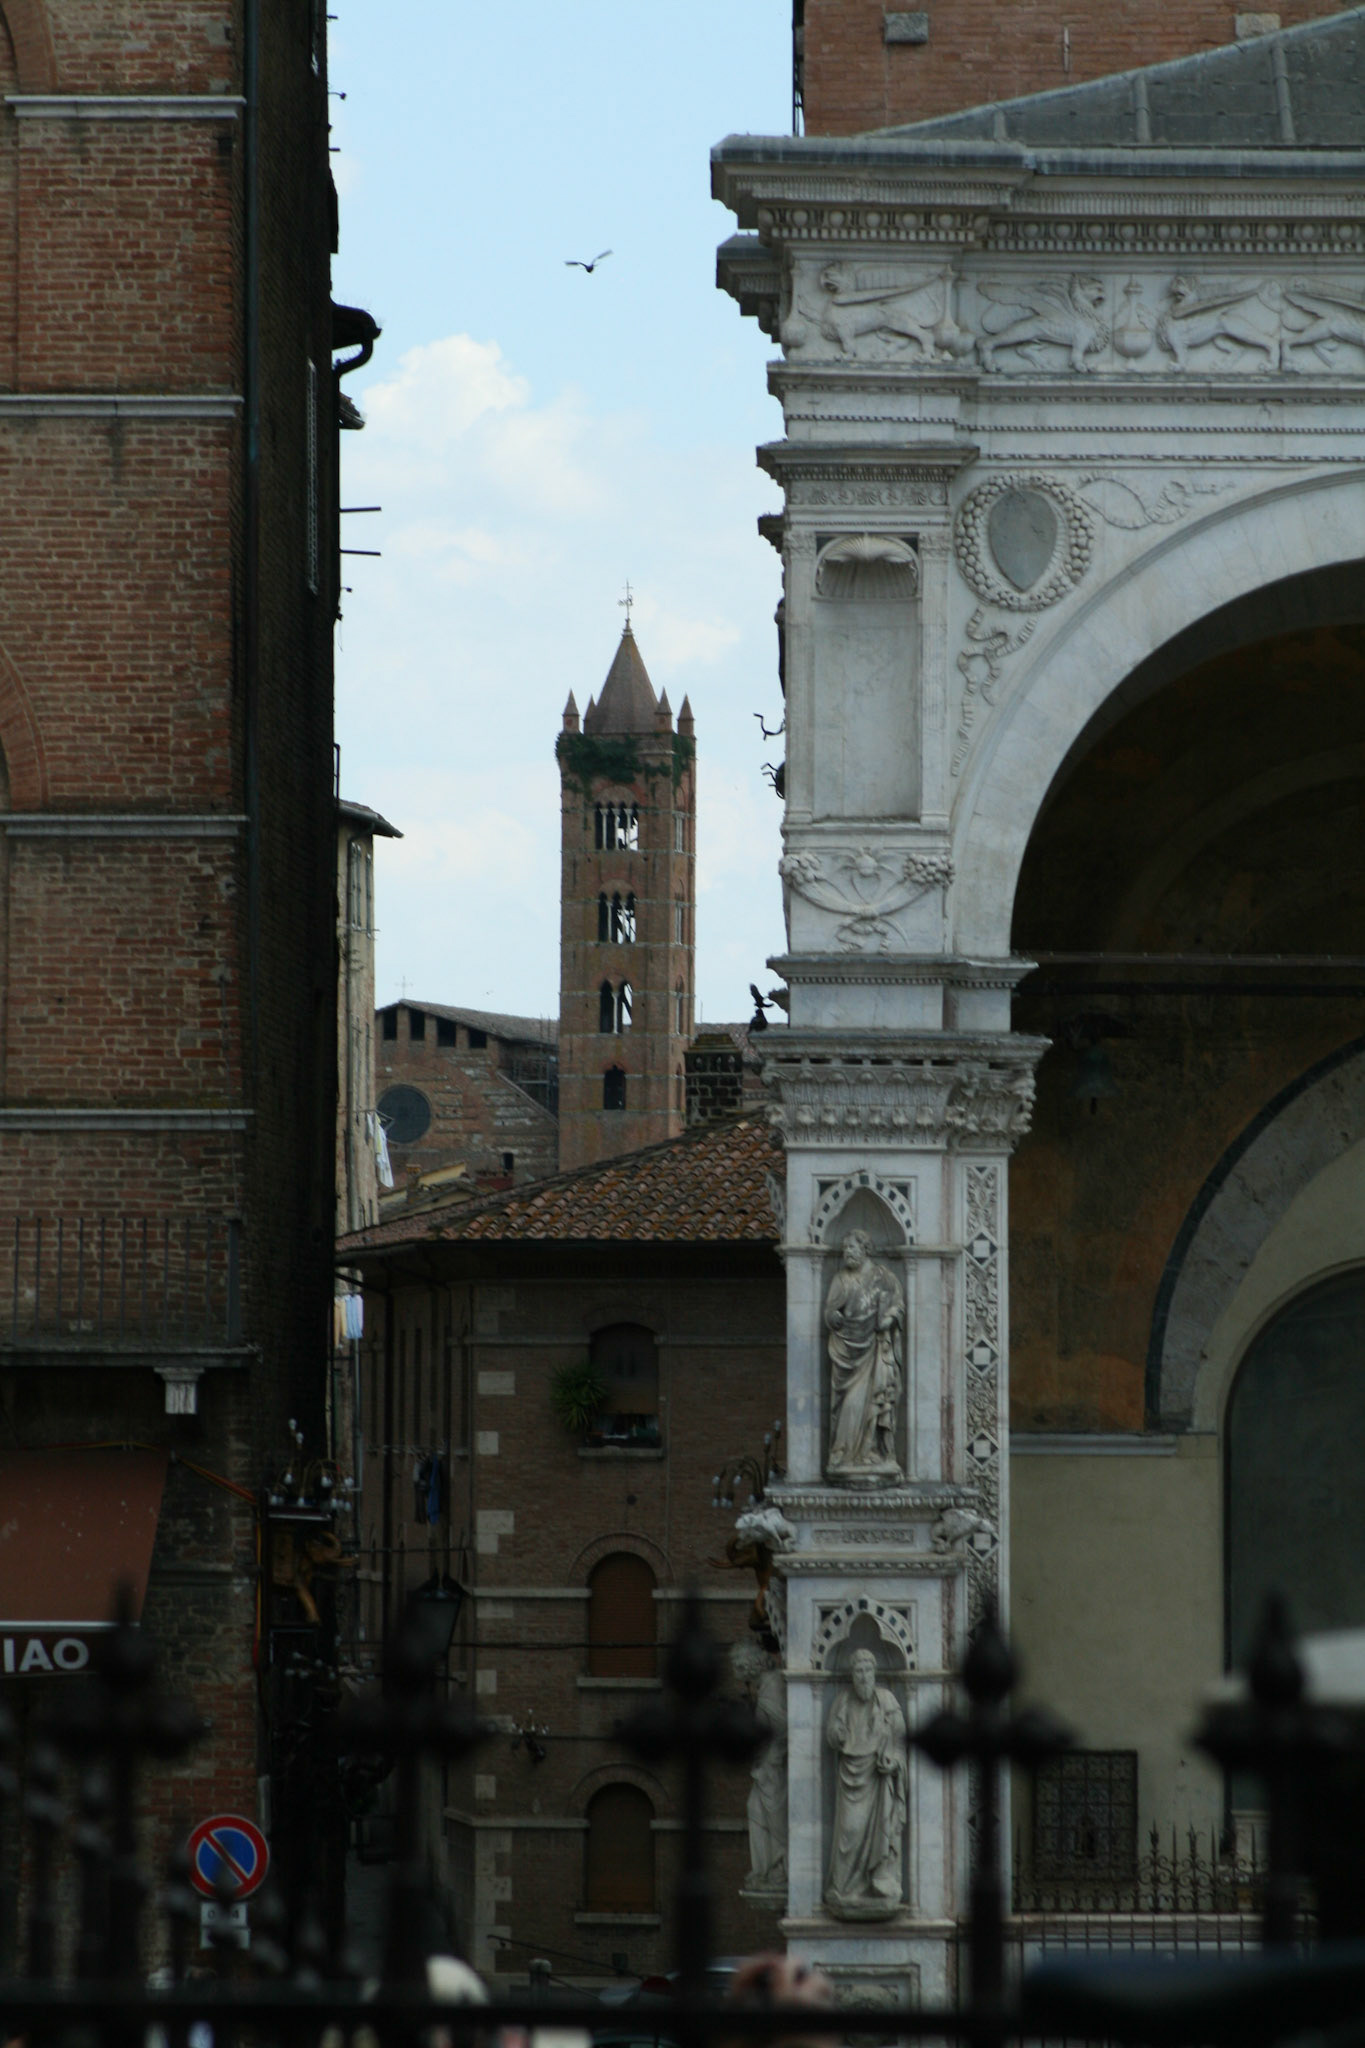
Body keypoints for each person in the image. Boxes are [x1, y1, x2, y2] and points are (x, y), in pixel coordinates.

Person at [824, 1649, 907, 1918]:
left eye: (867, 1671)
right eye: (858, 1672)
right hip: (851, 1779)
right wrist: (837, 1735)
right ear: (851, 1675)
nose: (862, 1677)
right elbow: (831, 1735)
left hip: (878, 1779)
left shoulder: (887, 1701)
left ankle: (879, 1882)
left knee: (882, 1830)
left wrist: (894, 1760)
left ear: (874, 1673)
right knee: (848, 1832)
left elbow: (900, 1740)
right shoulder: (843, 1701)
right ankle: (845, 1889)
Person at [825, 1232, 904, 1481]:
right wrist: (832, 1317)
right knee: (849, 1404)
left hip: (876, 1349)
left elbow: (898, 1305)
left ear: (865, 1248)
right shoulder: (841, 1279)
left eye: (851, 1247)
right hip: (847, 1351)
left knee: (874, 1402)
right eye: (844, 1247)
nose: (847, 1251)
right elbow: (829, 1311)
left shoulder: (883, 1277)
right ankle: (845, 1455)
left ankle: (872, 1451)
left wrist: (890, 1318)